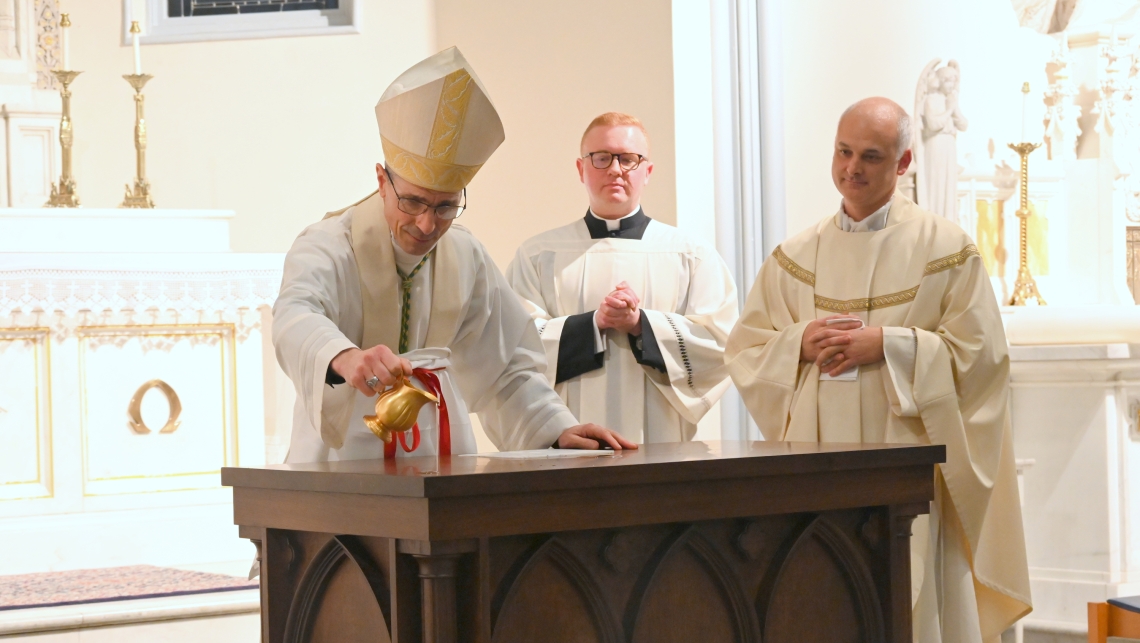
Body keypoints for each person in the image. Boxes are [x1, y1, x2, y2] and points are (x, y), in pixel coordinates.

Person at [725, 97, 1031, 642]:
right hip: (818, 467)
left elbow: (982, 358)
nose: (852, 169)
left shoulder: (945, 248)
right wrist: (799, 343)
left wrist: (890, 345)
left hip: (908, 470)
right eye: (843, 152)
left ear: (903, 162)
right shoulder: (795, 256)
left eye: (870, 156)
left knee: (910, 601)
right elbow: (746, 350)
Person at [273, 48, 635, 462]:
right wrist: (344, 356)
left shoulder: (465, 254)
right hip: (342, 455)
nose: (427, 224)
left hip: (438, 449)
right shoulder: (330, 244)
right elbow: (295, 315)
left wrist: (557, 429)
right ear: (382, 181)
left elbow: (505, 368)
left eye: (445, 206)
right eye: (412, 202)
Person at [498, 112, 737, 444]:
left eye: (628, 159)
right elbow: (513, 348)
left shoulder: (690, 254)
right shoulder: (538, 254)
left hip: (661, 443)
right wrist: (593, 324)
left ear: (647, 171)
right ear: (581, 169)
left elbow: (722, 345)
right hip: (569, 443)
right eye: (601, 157)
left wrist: (641, 325)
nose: (615, 169)